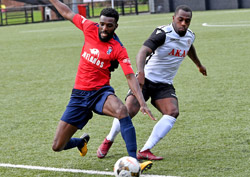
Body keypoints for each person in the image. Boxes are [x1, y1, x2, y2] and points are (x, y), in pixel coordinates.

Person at [48, 0, 156, 171]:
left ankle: (134, 162)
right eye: (102, 24)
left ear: (116, 26)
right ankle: (80, 142)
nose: (104, 28)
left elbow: (130, 76)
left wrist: (142, 102)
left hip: (100, 93)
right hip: (78, 96)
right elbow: (67, 13)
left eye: (109, 25)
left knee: (122, 110)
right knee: (57, 146)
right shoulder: (89, 27)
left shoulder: (118, 48)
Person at [97, 5, 207, 160]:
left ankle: (145, 150)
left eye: (187, 21)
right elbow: (142, 51)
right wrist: (140, 73)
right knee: (127, 112)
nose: (183, 23)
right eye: (180, 19)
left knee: (172, 112)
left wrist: (198, 64)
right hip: (145, 80)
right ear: (173, 18)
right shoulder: (162, 33)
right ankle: (109, 140)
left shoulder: (190, 36)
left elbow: (188, 47)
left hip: (164, 84)